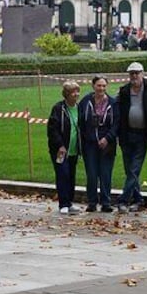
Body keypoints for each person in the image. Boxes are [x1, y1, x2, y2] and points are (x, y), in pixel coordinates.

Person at [116, 62, 147, 212]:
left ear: (142, 73)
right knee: (129, 170)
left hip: (142, 135)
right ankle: (138, 199)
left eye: (137, 73)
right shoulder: (124, 90)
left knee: (134, 169)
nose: (134, 76)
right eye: (131, 73)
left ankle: (122, 200)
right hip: (126, 135)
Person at [79, 76, 118, 212]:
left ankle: (106, 202)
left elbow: (116, 124)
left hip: (107, 145)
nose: (101, 88)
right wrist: (86, 138)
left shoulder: (112, 103)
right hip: (90, 145)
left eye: (103, 86)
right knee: (92, 173)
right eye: (98, 86)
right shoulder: (85, 101)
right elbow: (81, 123)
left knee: (105, 173)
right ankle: (92, 202)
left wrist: (107, 138)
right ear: (93, 86)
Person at [47, 80, 83, 215]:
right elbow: (52, 130)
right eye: (73, 92)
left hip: (73, 148)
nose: (76, 94)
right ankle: (63, 203)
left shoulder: (79, 107)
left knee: (71, 175)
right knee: (63, 174)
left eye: (77, 91)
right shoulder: (58, 109)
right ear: (66, 94)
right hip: (60, 150)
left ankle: (70, 202)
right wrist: (60, 145)